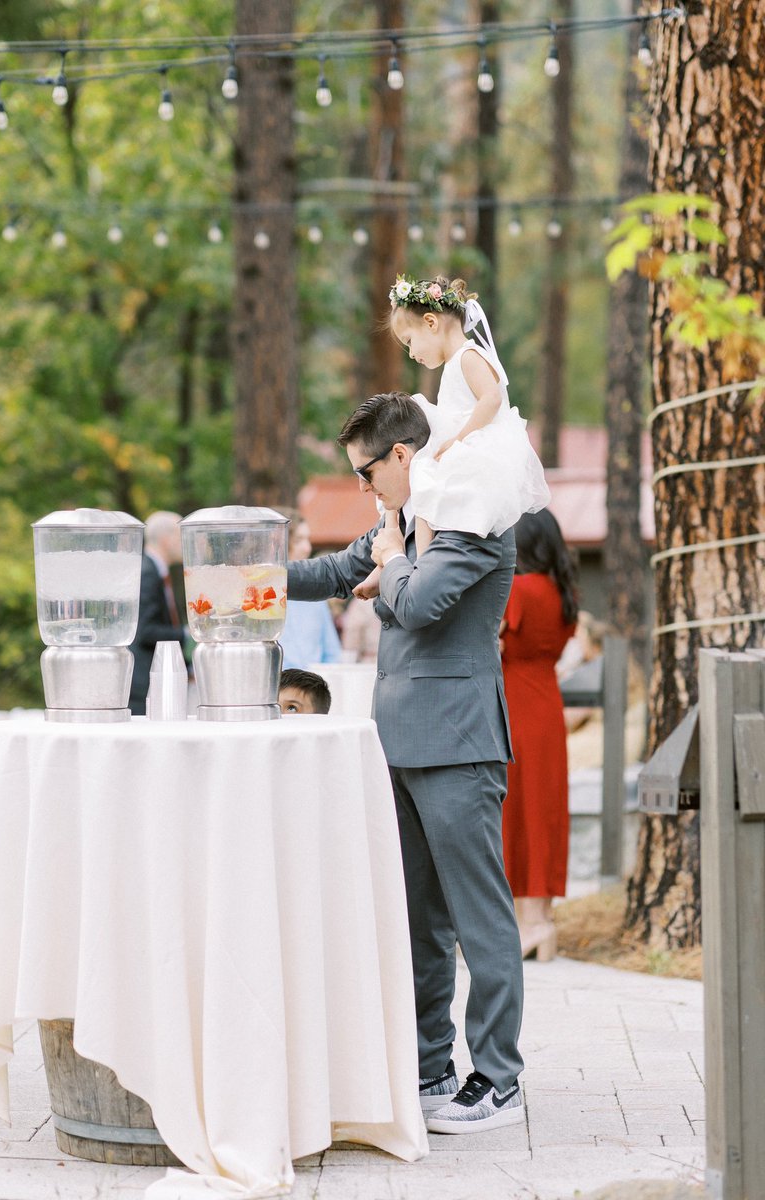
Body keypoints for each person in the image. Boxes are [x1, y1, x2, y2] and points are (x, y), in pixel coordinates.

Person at [287, 390, 524, 1135]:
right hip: (396, 742)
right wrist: (247, 581)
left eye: (367, 472)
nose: (361, 489)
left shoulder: (475, 519)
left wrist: (388, 565)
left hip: (458, 744)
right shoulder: (397, 525)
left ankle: (499, 1078)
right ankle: (431, 1068)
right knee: (420, 922)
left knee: (478, 918)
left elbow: (418, 604)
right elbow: (332, 576)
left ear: (401, 455)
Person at [354, 273, 549, 600]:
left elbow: (491, 399)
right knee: (411, 470)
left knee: (421, 472)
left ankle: (420, 568)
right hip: (460, 437)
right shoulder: (456, 362)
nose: (411, 353)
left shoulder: (468, 357)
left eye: (410, 342)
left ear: (431, 322)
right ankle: (397, 555)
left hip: (477, 443)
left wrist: (459, 439)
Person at [499, 509, 578, 961]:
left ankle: (525, 924)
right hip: (548, 705)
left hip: (515, 707)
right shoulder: (561, 590)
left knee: (517, 810)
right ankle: (542, 920)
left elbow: (492, 641)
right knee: (545, 810)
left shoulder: (518, 589)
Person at [129, 511, 188, 716]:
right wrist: (187, 635)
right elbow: (144, 631)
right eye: (181, 536)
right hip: (143, 684)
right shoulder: (147, 573)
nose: (184, 543)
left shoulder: (156, 571)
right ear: (166, 538)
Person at [278, 509, 342, 669]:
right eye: (298, 540)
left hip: (311, 686)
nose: (307, 548)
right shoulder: (263, 597)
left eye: (308, 539)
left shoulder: (316, 597)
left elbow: (332, 653)